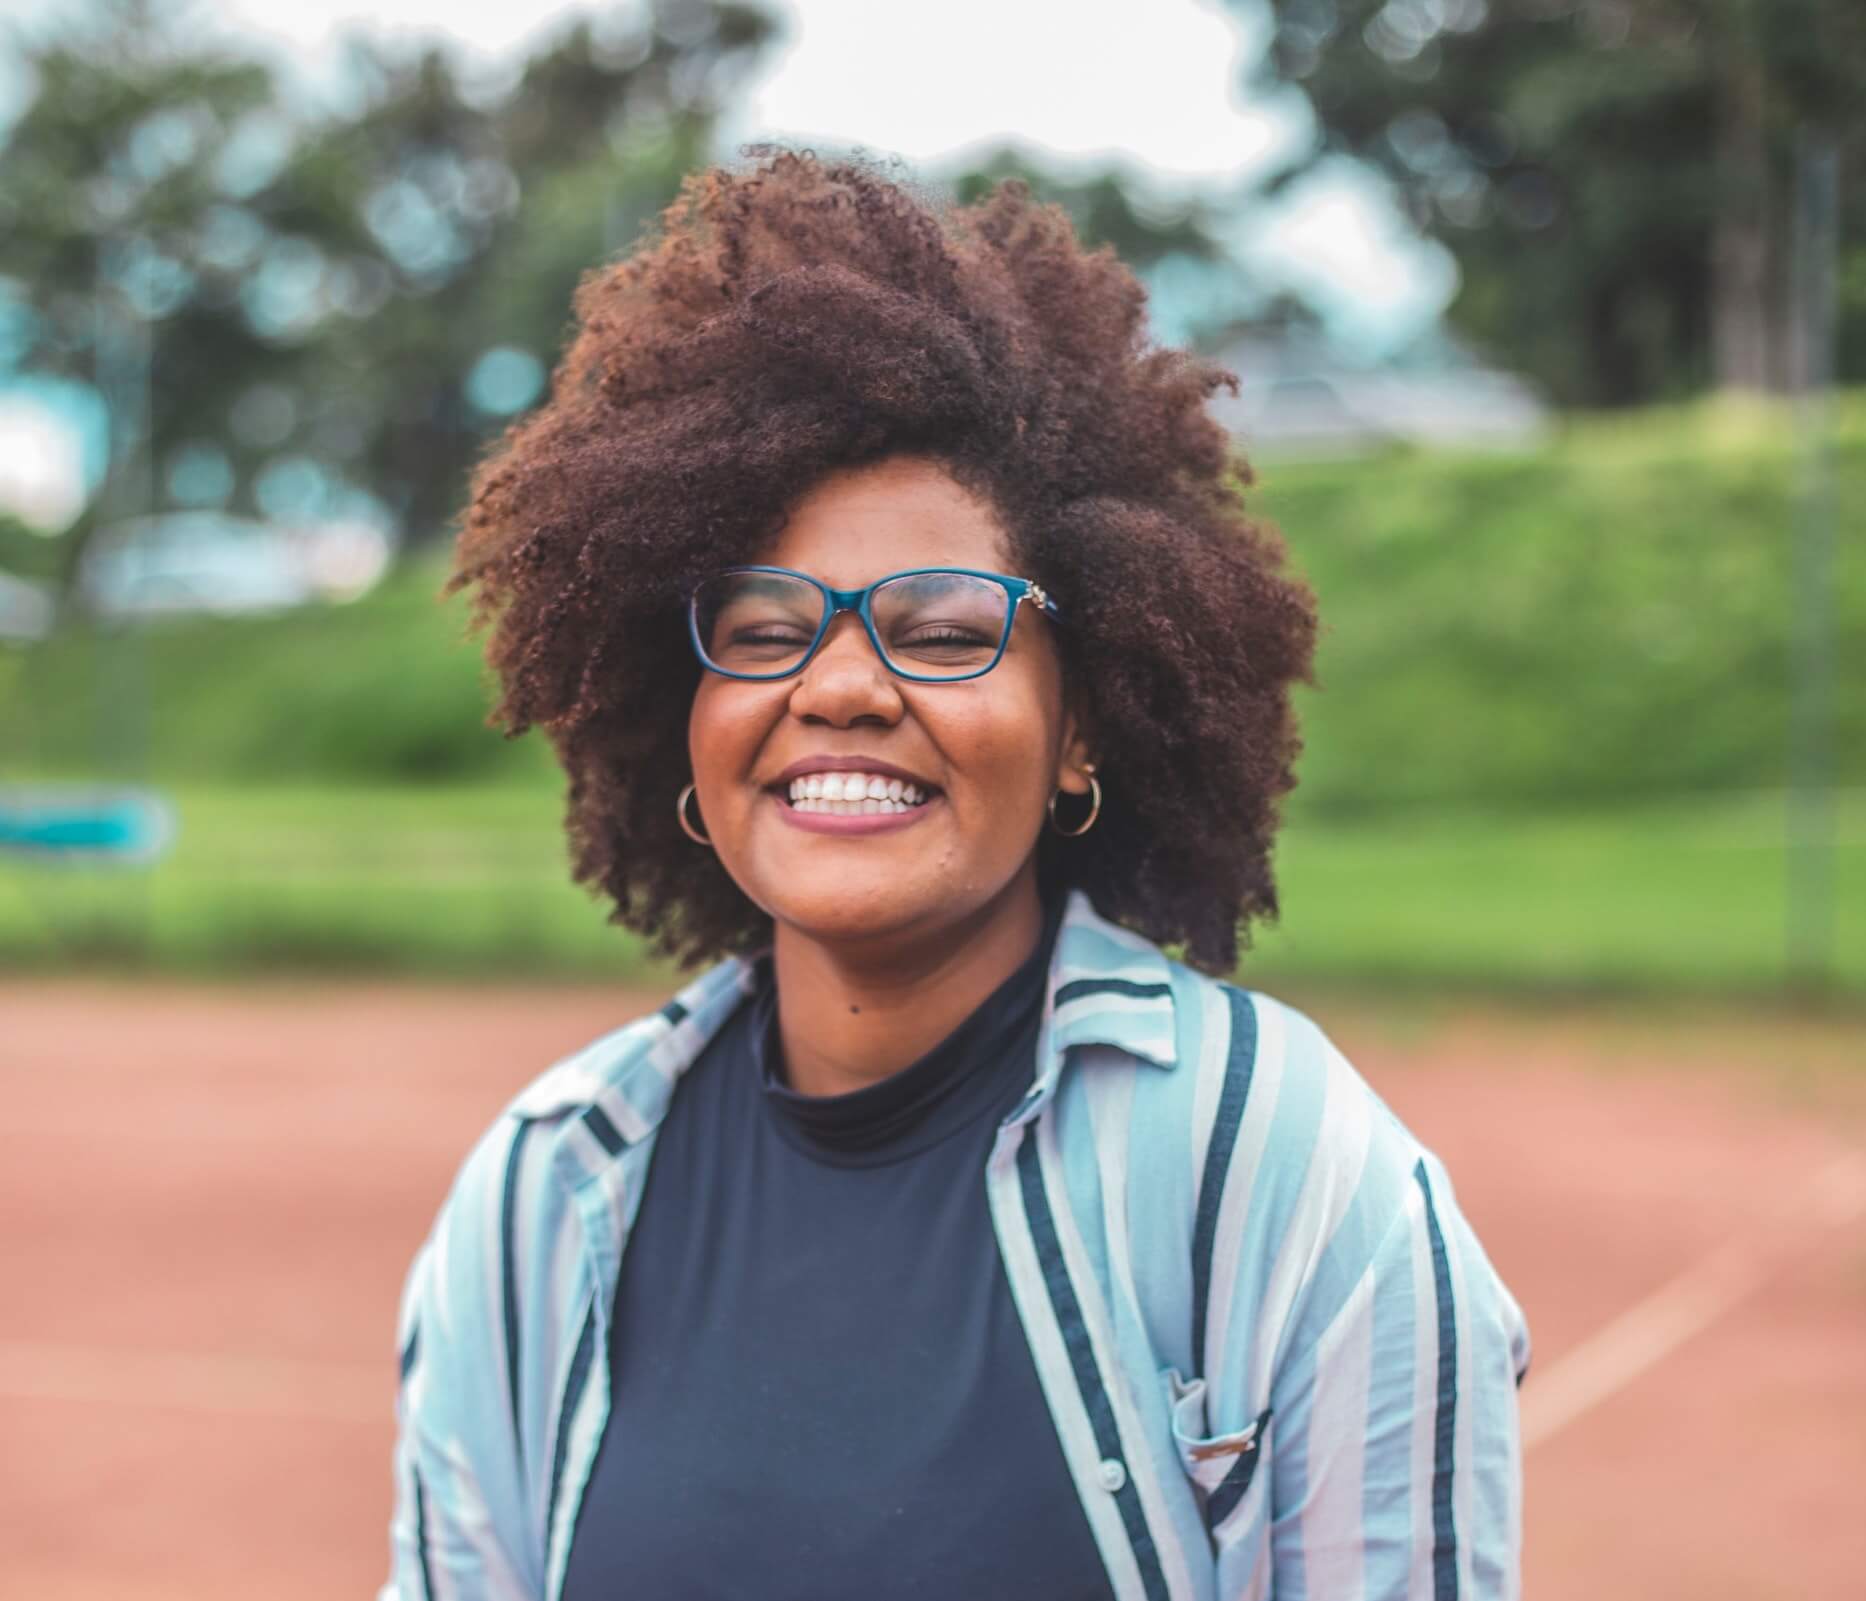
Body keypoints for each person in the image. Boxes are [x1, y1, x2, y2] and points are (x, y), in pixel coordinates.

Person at [381, 147, 1530, 1601]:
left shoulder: (1281, 1174)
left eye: (942, 627)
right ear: (683, 713)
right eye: (763, 623)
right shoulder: (544, 1196)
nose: (841, 685)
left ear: (1080, 724)